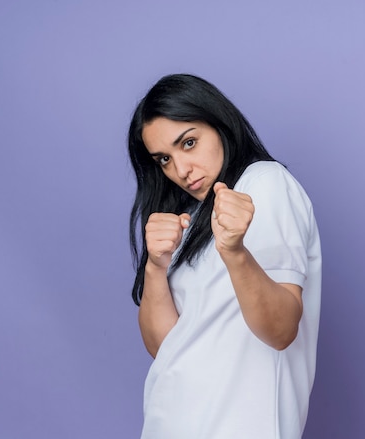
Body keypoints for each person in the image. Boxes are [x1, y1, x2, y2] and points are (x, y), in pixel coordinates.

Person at [127, 74, 322, 439]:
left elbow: (281, 331)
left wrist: (234, 252)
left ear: (220, 124)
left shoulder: (263, 183)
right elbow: (165, 349)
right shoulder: (193, 219)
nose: (181, 171)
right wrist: (156, 266)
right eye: (164, 159)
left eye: (189, 142)